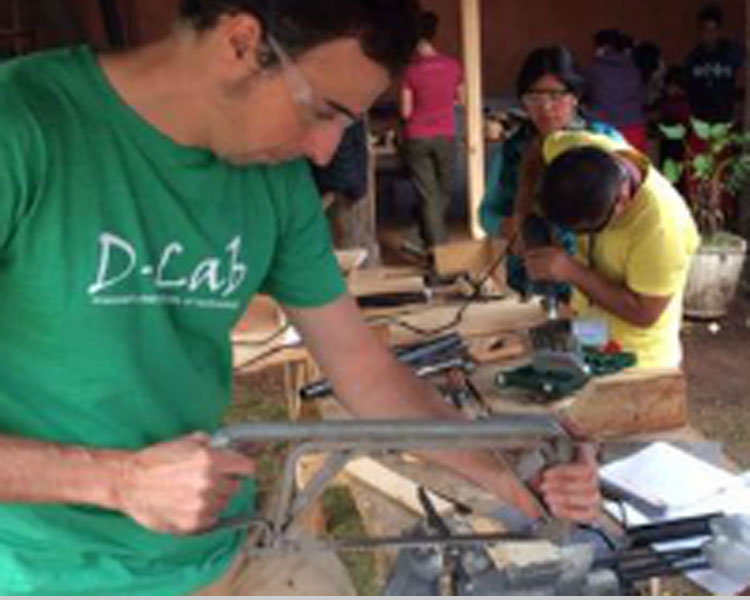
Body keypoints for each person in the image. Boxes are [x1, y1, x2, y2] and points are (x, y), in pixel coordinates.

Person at [0, 0, 599, 595]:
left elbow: (364, 371)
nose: (322, 151)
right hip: (34, 571)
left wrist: (518, 471)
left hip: (216, 551)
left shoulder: (272, 177)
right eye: (324, 112)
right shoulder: (22, 128)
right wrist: (118, 482)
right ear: (240, 42)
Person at [525, 132, 700, 369]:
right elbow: (540, 148)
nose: (577, 238)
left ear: (622, 202)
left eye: (586, 230)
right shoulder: (576, 152)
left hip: (634, 358)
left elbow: (644, 313)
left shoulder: (662, 226)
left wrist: (572, 271)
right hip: (588, 332)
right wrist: (523, 214)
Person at [479, 45, 622, 299]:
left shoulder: (603, 142)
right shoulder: (514, 151)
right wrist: (507, 226)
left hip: (595, 281)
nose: (545, 107)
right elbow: (486, 212)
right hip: (533, 281)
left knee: (591, 334)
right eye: (533, 98)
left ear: (575, 96)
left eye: (556, 96)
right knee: (542, 333)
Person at [400, 10, 463, 249]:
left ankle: (433, 245)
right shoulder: (453, 66)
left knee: (429, 195)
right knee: (442, 191)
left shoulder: (410, 71)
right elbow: (462, 99)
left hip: (417, 136)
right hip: (446, 133)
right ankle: (437, 246)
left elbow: (406, 112)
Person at [585, 29, 647, 152]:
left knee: (608, 169)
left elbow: (586, 95)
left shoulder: (594, 68)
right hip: (635, 126)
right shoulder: (633, 67)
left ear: (602, 47)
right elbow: (641, 96)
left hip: (606, 129)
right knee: (635, 167)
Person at [684, 3, 744, 124]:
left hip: (726, 118)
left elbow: (741, 81)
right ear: (700, 31)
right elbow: (689, 91)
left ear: (719, 31)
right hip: (701, 121)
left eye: (713, 30)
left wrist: (738, 109)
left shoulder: (731, 54)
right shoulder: (693, 58)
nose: (710, 35)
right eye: (706, 30)